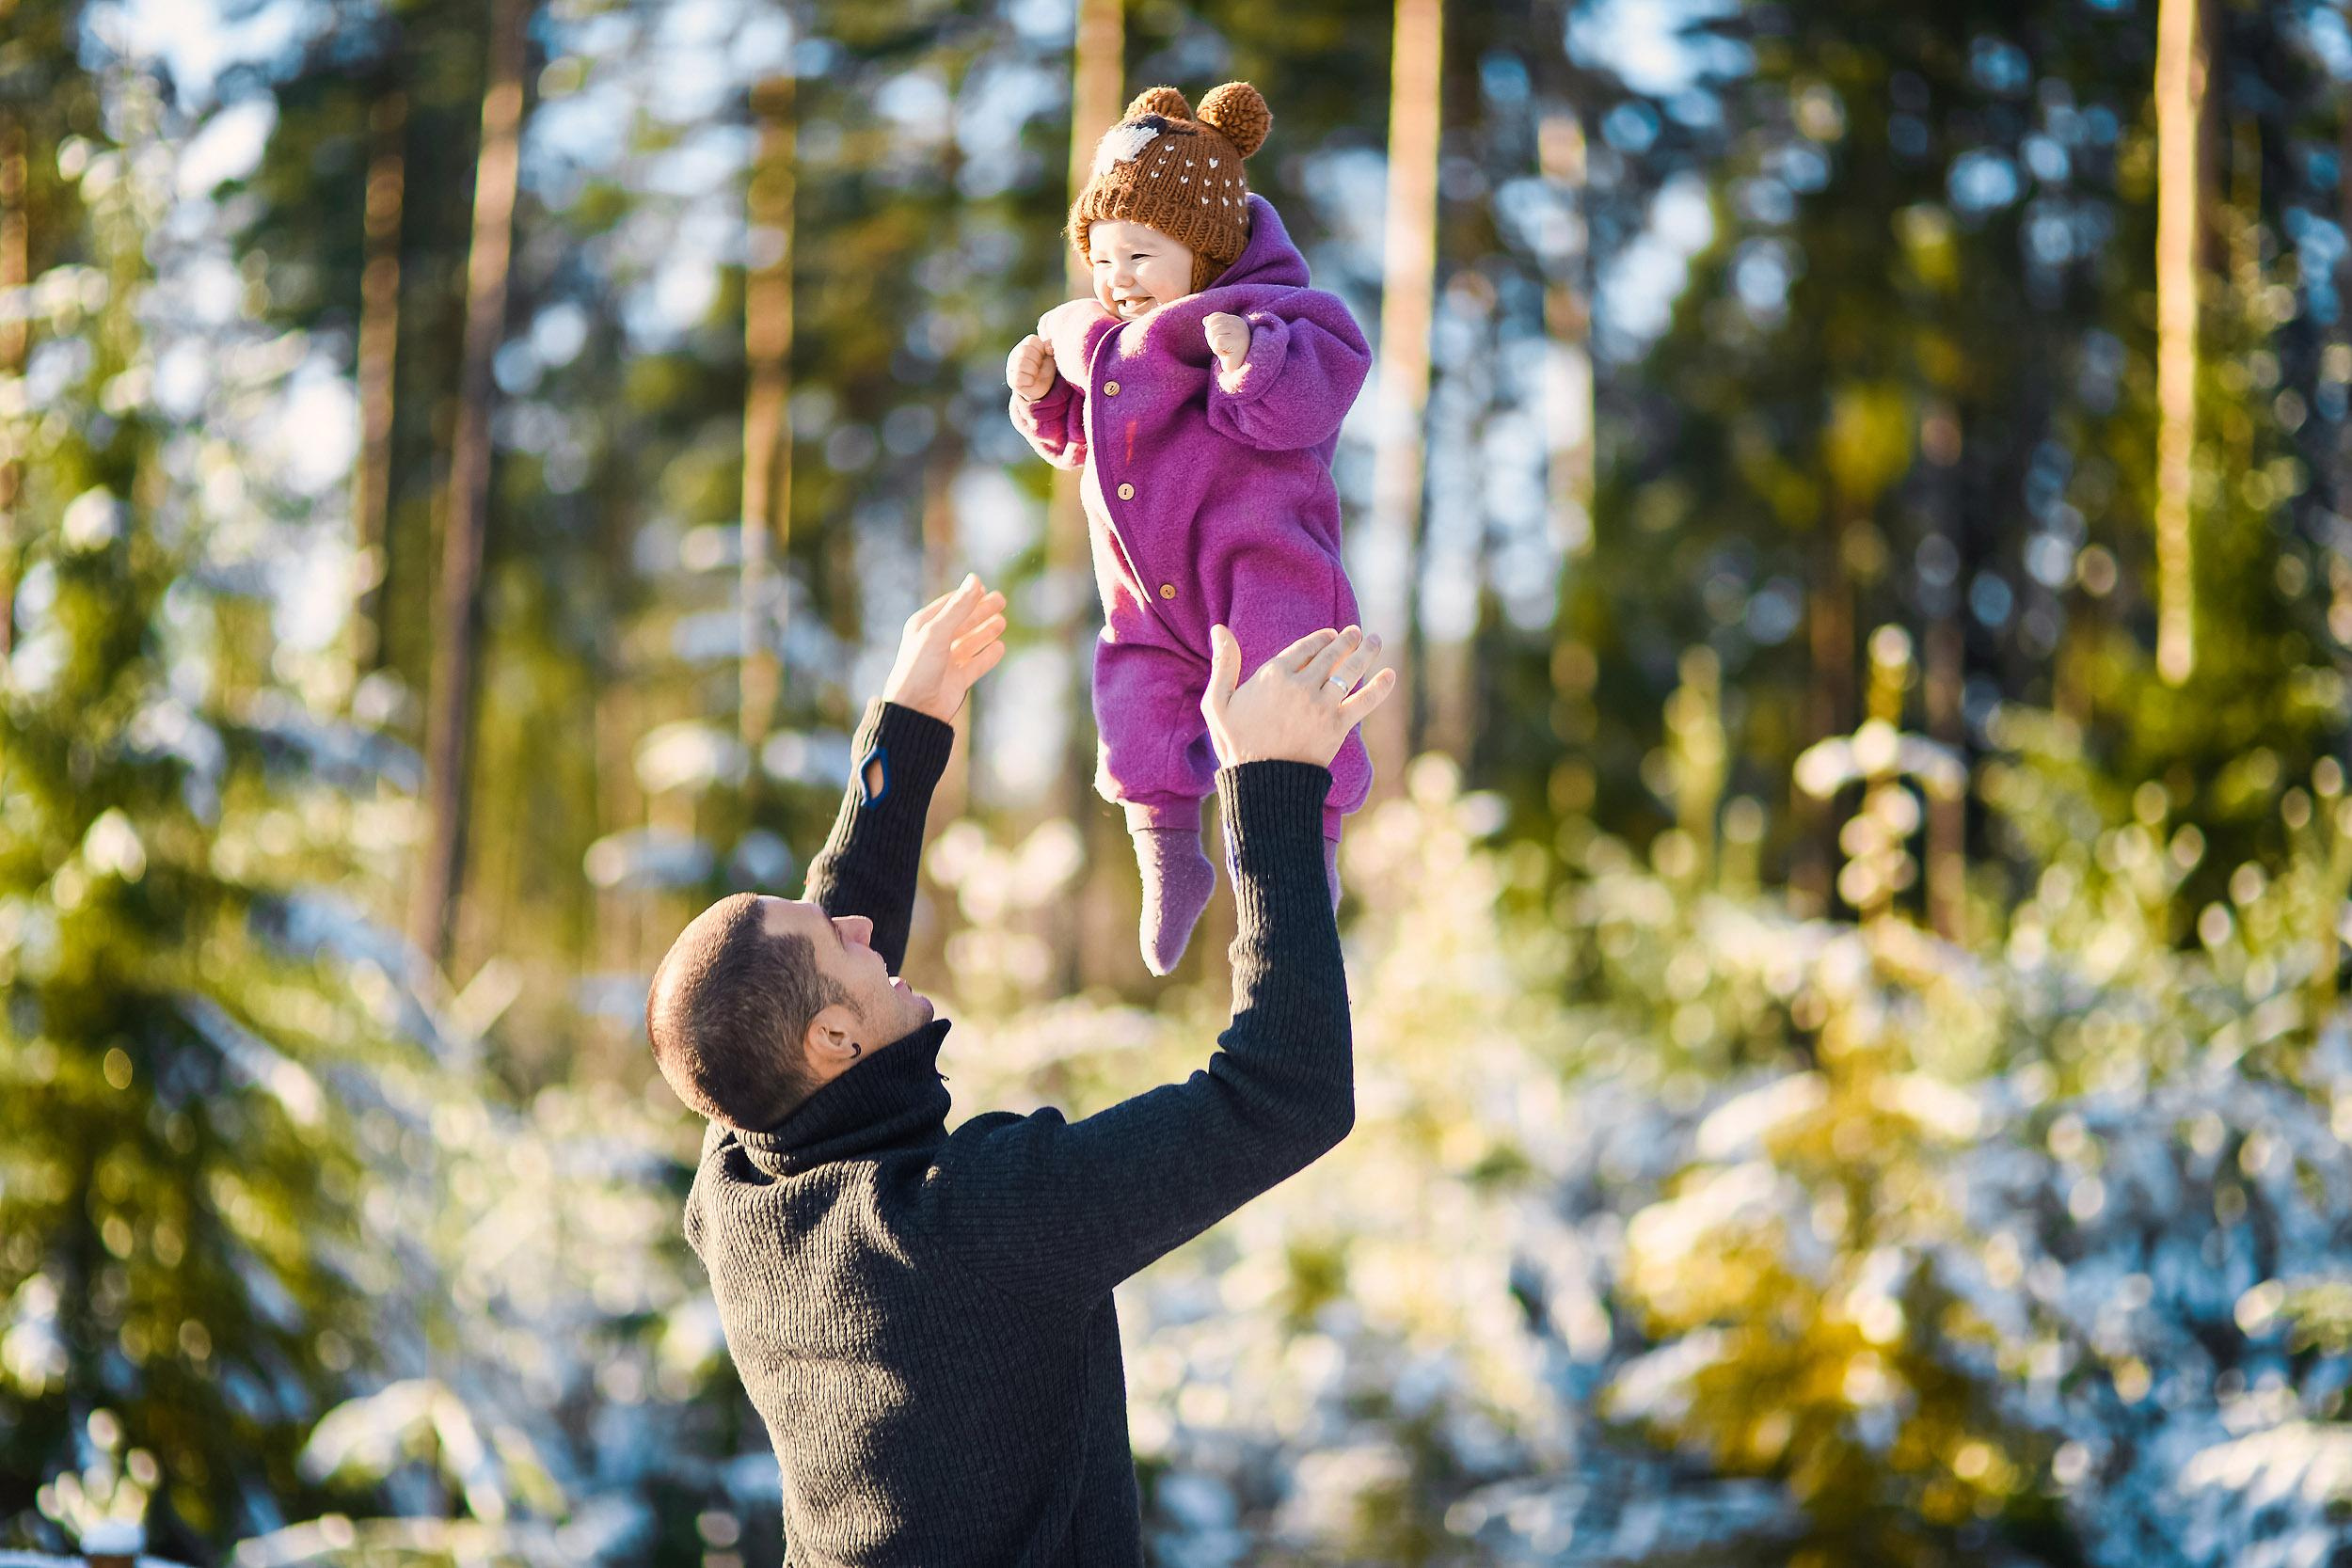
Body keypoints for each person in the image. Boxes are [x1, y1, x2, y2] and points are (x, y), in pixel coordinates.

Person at [645, 573, 1394, 1566]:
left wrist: (901, 731)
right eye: (839, 937)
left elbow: (792, 971)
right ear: (830, 1042)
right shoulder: (970, 1224)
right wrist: (1271, 784)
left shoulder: (740, 1188)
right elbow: (1284, 1092)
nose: (861, 922)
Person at [1006, 81, 1375, 975]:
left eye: (1139, 254)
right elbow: (1082, 441)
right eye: (1100, 257)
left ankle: (1303, 860)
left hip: (1261, 567)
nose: (1115, 278)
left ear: (1205, 253)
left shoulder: (1275, 317)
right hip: (1143, 590)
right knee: (1131, 707)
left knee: (1292, 704)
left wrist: (1253, 362)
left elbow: (1310, 405)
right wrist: (1043, 395)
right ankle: (1169, 854)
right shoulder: (1089, 335)